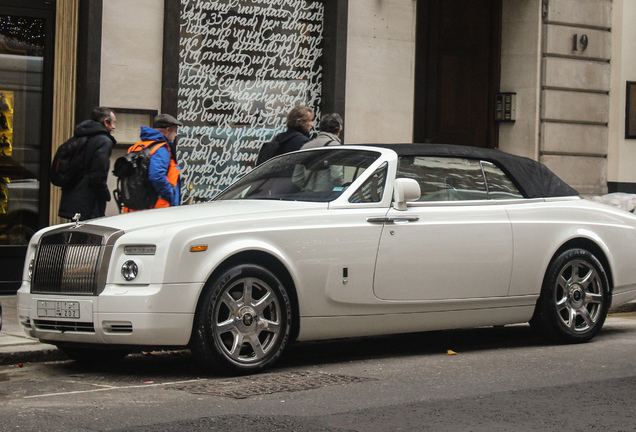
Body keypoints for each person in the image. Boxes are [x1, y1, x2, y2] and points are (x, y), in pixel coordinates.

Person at [58, 106, 116, 220]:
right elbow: (98, 173)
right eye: (113, 123)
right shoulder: (103, 141)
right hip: (89, 200)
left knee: (75, 232)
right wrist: (104, 194)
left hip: (72, 195)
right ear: (106, 122)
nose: (114, 127)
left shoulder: (80, 136)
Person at [123, 113, 182, 212]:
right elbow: (157, 176)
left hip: (134, 205)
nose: (175, 135)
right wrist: (170, 196)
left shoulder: (136, 147)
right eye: (175, 131)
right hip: (157, 208)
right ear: (168, 130)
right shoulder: (160, 149)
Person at [292, 113, 345, 193]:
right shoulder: (335, 147)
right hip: (327, 196)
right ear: (338, 130)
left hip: (307, 196)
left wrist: (309, 188)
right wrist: (340, 190)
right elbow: (337, 177)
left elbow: (296, 178)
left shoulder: (305, 147)